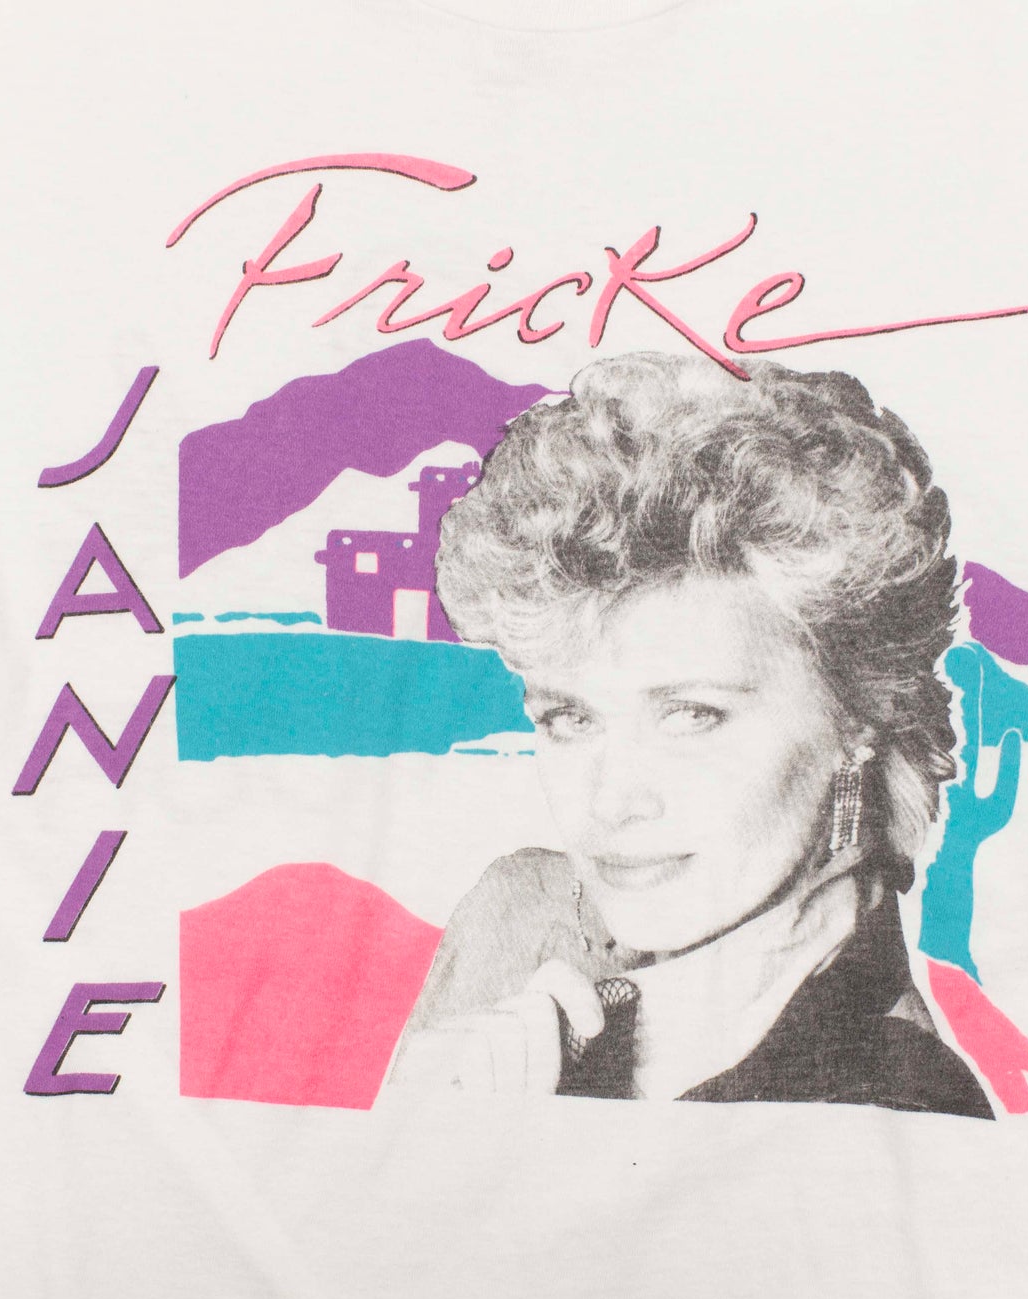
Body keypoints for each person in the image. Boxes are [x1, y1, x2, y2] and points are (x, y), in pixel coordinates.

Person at [388, 351, 993, 1117]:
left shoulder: (890, 1099)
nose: (610, 803)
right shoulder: (517, 912)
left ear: (856, 717)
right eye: (570, 717)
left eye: (691, 715)